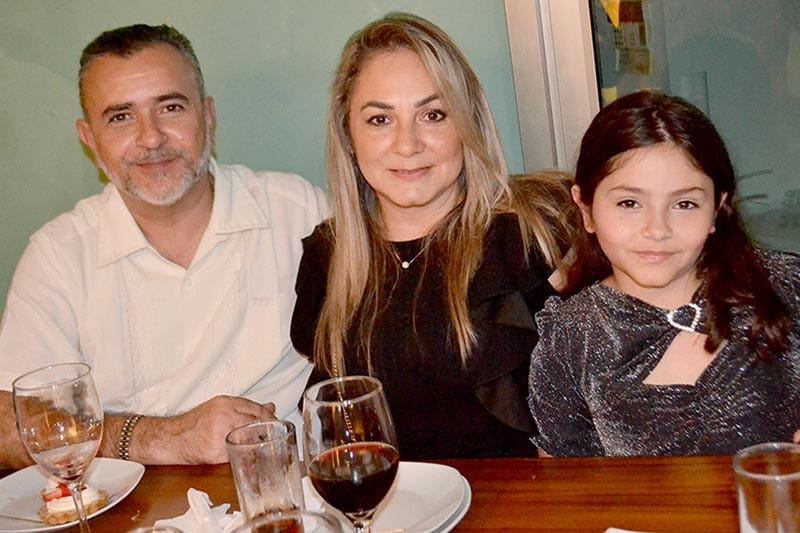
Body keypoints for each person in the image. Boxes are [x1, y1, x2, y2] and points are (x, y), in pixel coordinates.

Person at [0, 24, 328, 469]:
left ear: (207, 116)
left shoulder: (298, 213)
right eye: (120, 117)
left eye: (170, 107)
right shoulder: (59, 255)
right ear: (90, 140)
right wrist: (164, 438)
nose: (151, 138)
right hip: (131, 500)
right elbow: (8, 425)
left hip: (283, 484)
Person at [290, 12, 575, 459]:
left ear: (468, 123)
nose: (408, 144)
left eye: (433, 115)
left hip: (524, 496)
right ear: (348, 134)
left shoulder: (539, 230)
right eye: (380, 120)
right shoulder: (329, 257)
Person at [528, 91, 800, 457]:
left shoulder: (785, 286)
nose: (657, 230)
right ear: (586, 208)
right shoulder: (571, 337)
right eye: (629, 203)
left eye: (685, 204)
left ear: (717, 208)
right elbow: (561, 480)